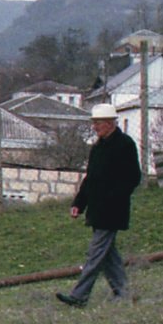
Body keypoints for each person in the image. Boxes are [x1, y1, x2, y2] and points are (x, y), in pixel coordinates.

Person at [56, 103, 141, 307]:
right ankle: (124, 292)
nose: (94, 127)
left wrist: (114, 198)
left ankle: (79, 296)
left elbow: (133, 177)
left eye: (98, 123)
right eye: (93, 123)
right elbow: (90, 179)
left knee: (95, 255)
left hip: (112, 211)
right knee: (108, 255)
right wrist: (79, 203)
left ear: (110, 123)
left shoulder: (124, 145)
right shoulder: (97, 148)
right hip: (97, 210)